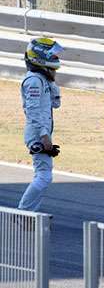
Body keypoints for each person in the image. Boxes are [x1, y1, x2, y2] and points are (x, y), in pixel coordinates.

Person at [18, 38, 63, 212]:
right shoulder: (33, 81)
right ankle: (23, 211)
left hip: (42, 132)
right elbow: (33, 112)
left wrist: (52, 81)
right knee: (44, 176)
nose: (56, 58)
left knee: (42, 174)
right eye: (53, 54)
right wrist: (44, 136)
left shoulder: (42, 79)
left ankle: (30, 213)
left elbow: (56, 104)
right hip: (38, 134)